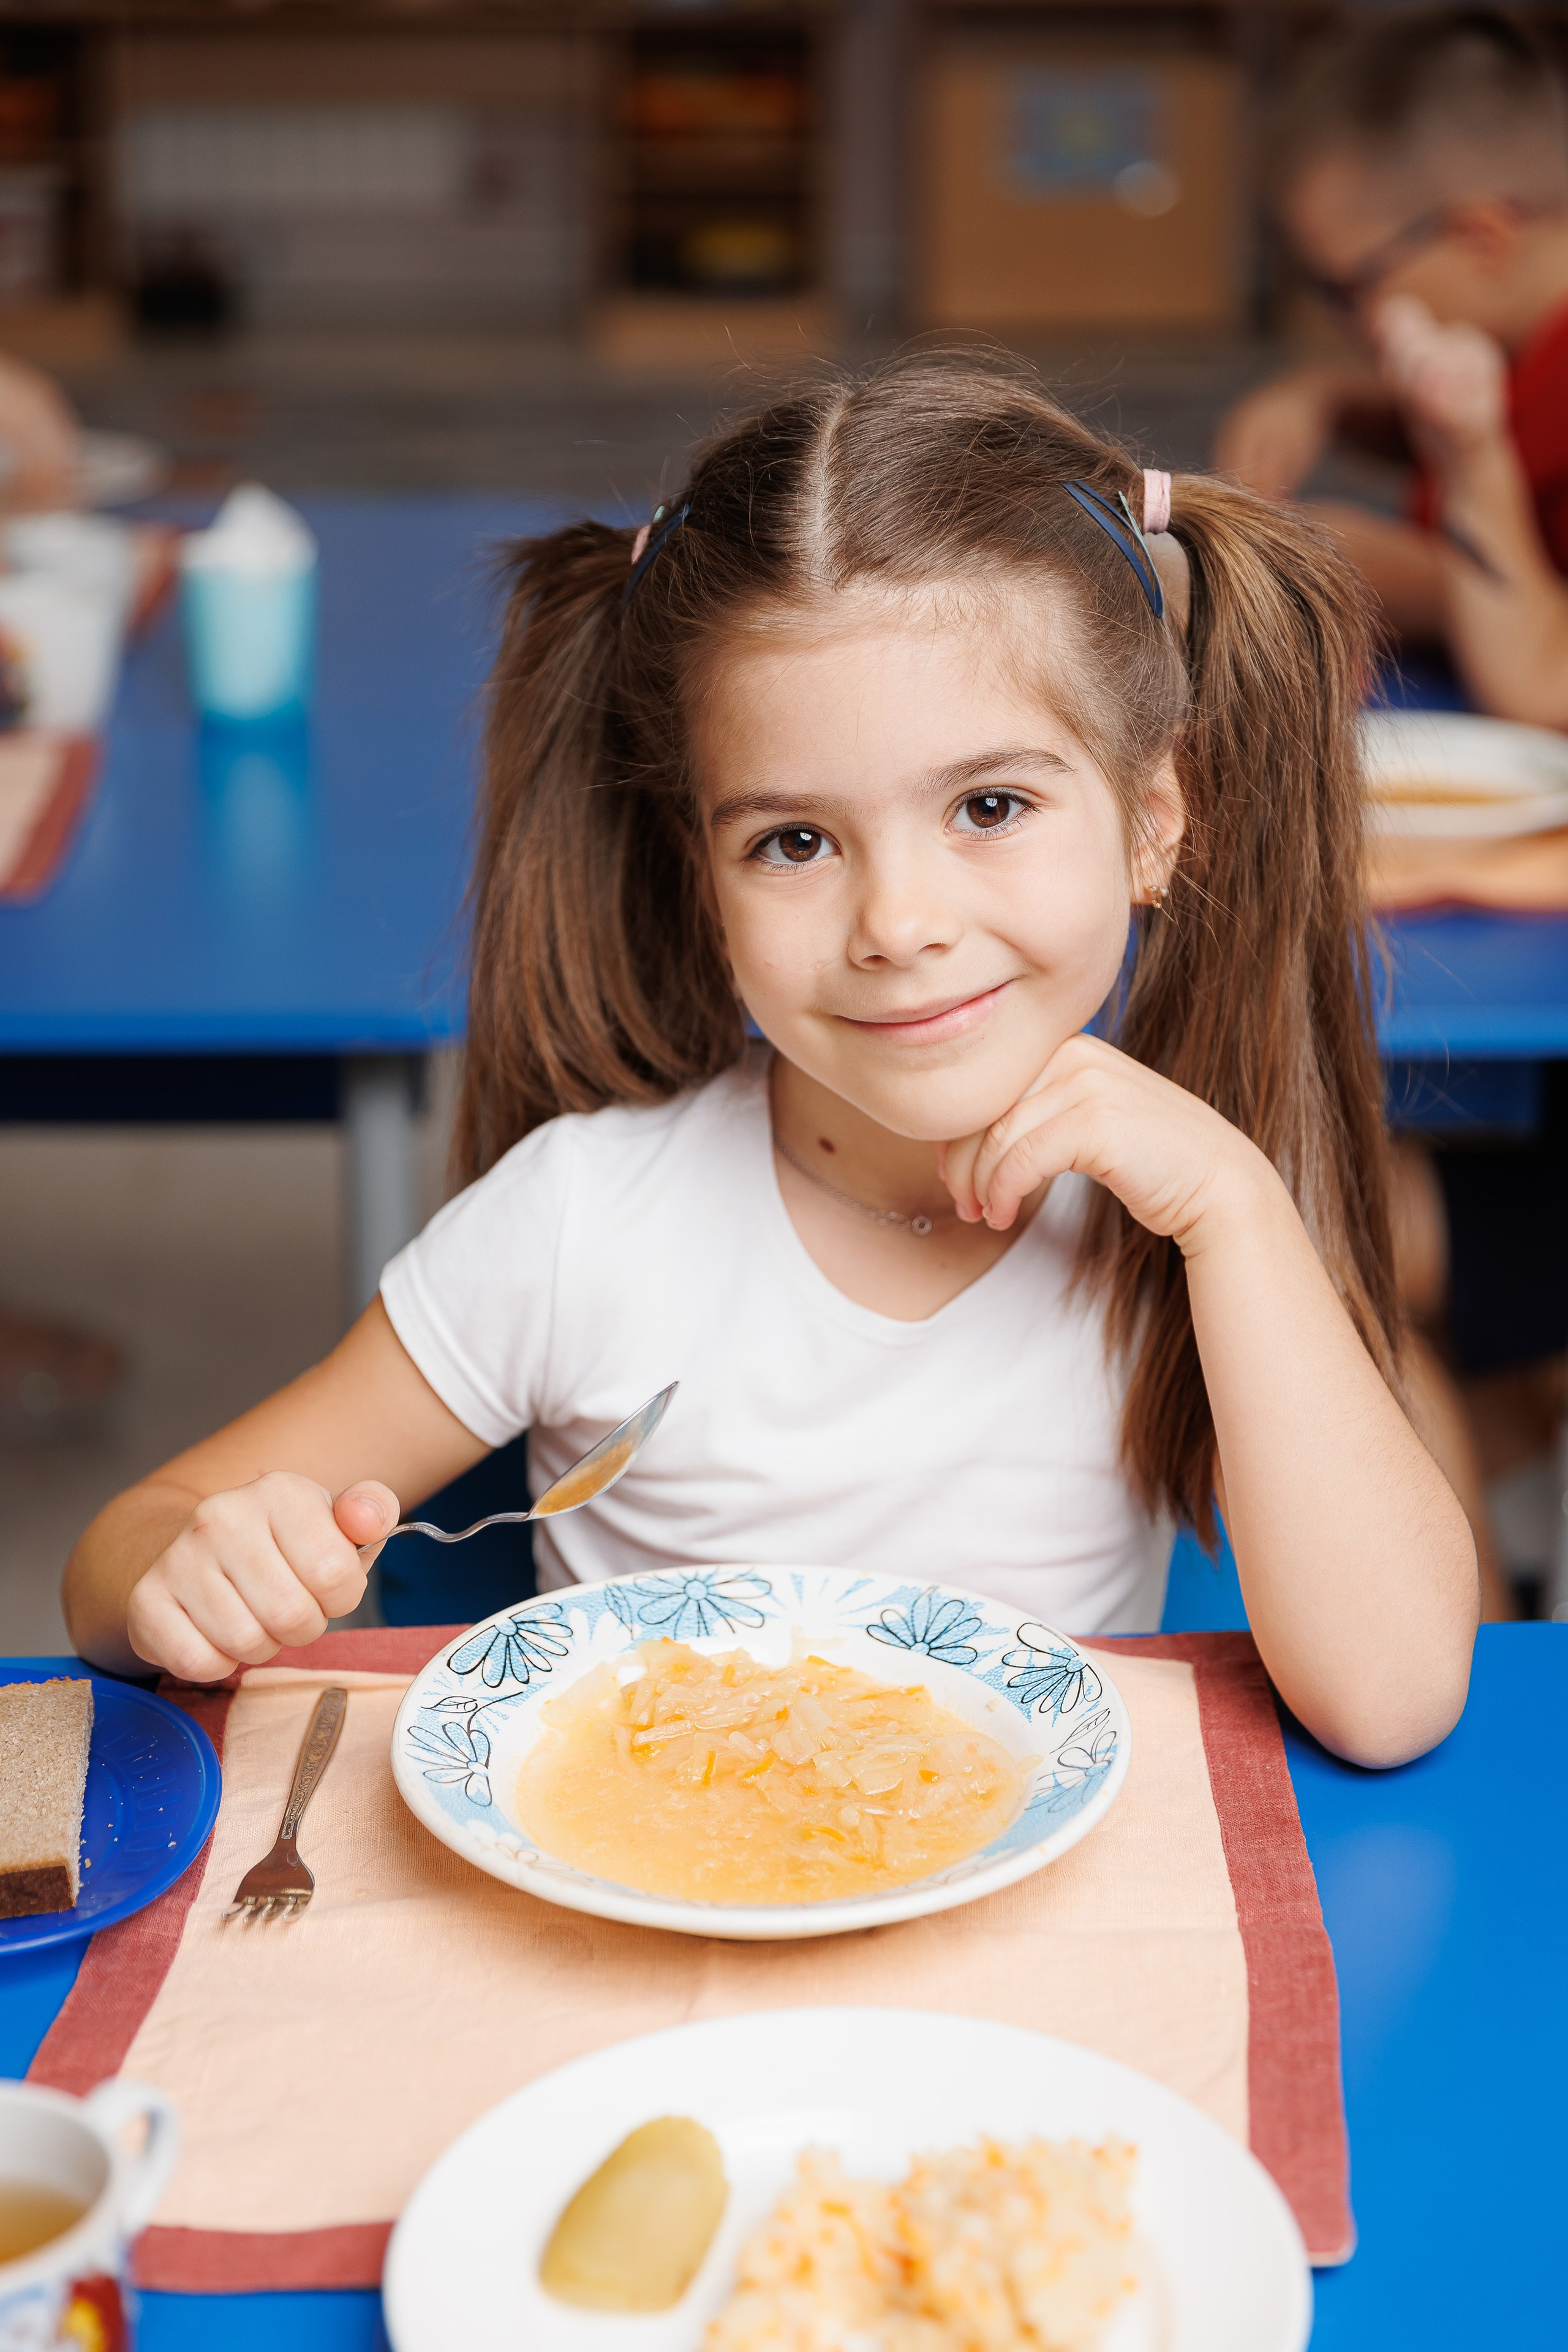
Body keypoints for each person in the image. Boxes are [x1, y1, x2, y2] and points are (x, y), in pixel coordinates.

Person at [61, 358, 1478, 1768]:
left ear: (1152, 818)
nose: (898, 924)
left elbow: (1391, 1691)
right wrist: (181, 1578)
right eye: (793, 841)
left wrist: (1233, 1205)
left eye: (988, 804)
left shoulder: (1184, 1225)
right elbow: (128, 1548)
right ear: (704, 875)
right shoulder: (577, 1220)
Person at [1215, 7, 1568, 646]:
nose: (1338, 321)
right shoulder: (1520, 345)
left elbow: (1549, 680)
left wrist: (1429, 585)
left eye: (1348, 288)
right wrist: (1327, 398)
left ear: (1479, 238)